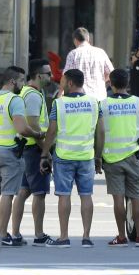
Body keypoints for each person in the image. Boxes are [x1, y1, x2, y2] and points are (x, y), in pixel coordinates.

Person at [0, 66, 42, 246]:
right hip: (10, 151)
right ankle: (3, 235)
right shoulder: (15, 100)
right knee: (7, 194)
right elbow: (21, 128)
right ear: (13, 81)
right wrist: (36, 134)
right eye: (21, 81)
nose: (23, 84)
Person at [41, 68, 103, 248]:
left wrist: (45, 153)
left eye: (61, 82)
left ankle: (64, 237)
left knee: (64, 196)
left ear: (69, 83)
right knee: (86, 196)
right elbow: (101, 131)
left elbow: (51, 131)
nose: (60, 84)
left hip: (64, 156)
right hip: (86, 156)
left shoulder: (59, 104)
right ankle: (86, 237)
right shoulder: (94, 103)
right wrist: (98, 156)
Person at [98, 69, 139, 247]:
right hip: (133, 156)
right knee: (135, 197)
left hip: (111, 158)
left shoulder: (103, 104)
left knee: (118, 199)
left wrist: (97, 156)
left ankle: (121, 237)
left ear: (111, 84)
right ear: (128, 83)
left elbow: (98, 132)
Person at [11, 59, 55, 246]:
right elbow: (33, 123)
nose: (51, 76)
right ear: (38, 75)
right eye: (48, 73)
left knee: (23, 191)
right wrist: (45, 150)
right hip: (34, 149)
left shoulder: (27, 92)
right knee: (39, 192)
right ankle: (39, 235)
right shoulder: (34, 95)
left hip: (25, 147)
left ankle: (15, 233)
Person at [63, 27, 113, 101]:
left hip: (81, 99)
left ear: (75, 40)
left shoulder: (73, 54)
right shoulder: (101, 52)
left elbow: (65, 77)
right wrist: (101, 81)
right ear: (88, 38)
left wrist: (61, 92)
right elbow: (111, 73)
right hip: (99, 97)